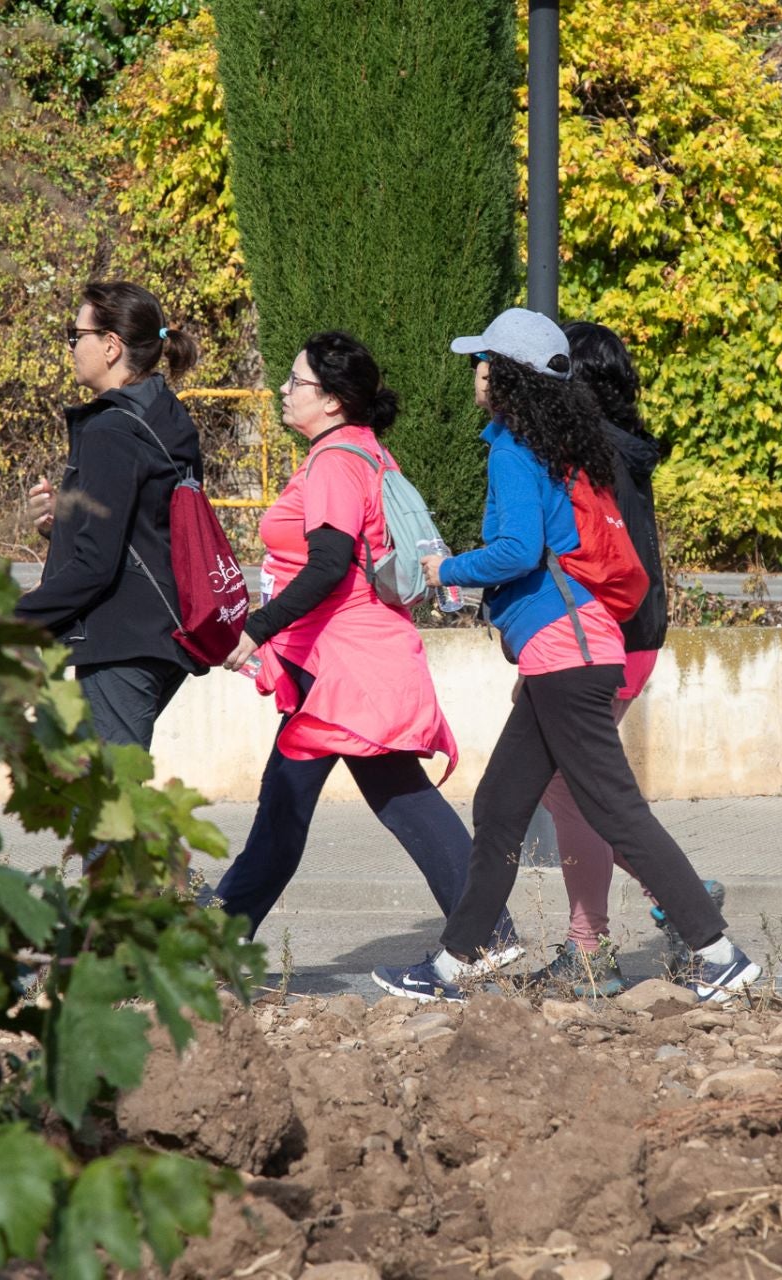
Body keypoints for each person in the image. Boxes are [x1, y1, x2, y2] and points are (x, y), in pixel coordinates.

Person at [371, 309, 757, 1006]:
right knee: (498, 805)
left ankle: (718, 952)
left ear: (510, 376)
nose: (476, 375)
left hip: (568, 655)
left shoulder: (514, 452)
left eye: (483, 362)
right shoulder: (552, 448)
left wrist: (445, 571)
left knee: (615, 811)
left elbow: (518, 550)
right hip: (571, 650)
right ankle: (456, 962)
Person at [209, 331, 520, 964]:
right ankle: (490, 934)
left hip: (341, 667)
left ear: (330, 399)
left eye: (295, 382)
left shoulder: (333, 462)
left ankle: (207, 948)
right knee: (319, 805)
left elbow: (327, 565)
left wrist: (257, 629)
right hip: (345, 663)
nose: (283, 391)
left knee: (311, 807)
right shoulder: (365, 451)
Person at [524, 320, 720, 995]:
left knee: (568, 787)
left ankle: (602, 940)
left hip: (600, 640)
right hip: (632, 636)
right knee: (574, 785)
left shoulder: (593, 454)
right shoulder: (622, 448)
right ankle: (649, 909)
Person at [15, 281, 206, 749]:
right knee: (96, 794)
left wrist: (13, 616)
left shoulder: (110, 431)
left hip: (123, 641)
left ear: (111, 346)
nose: (71, 347)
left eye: (75, 335)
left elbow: (97, 564)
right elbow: (146, 528)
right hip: (163, 633)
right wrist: (63, 527)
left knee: (106, 803)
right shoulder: (167, 416)